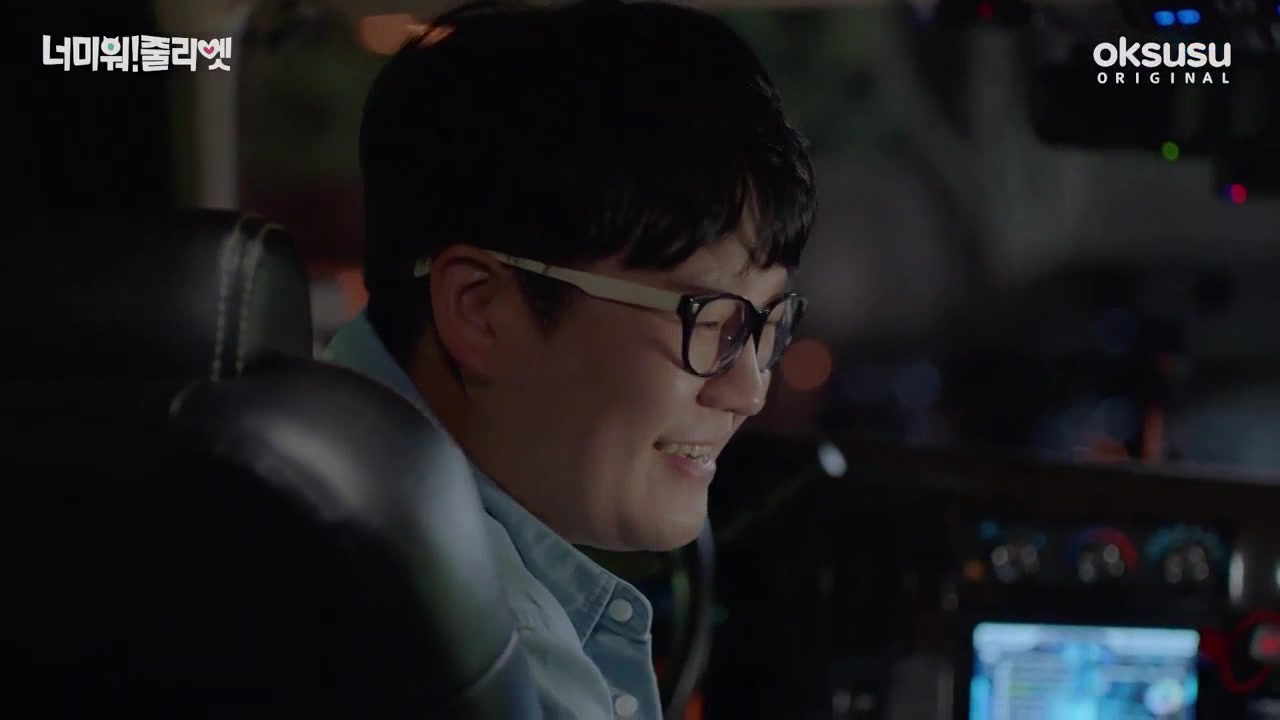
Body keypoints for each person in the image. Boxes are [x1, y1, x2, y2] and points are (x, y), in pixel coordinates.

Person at [324, 0, 816, 716]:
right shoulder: (490, 660)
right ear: (481, 309)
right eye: (709, 319)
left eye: (767, 324)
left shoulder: (304, 463)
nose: (749, 391)